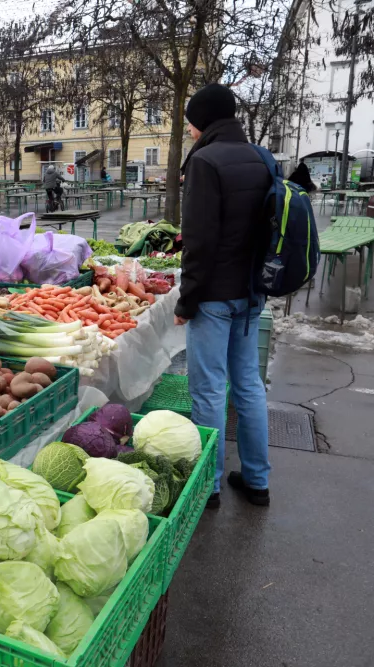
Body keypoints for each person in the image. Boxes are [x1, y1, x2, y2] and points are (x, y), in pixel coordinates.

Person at [177, 83, 272, 508]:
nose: (190, 131)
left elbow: (199, 242)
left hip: (214, 297)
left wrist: (187, 300)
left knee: (210, 390)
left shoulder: (205, 161)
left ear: (204, 120)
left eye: (191, 123)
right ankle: (256, 481)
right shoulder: (262, 158)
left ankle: (209, 486)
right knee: (248, 385)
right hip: (251, 294)